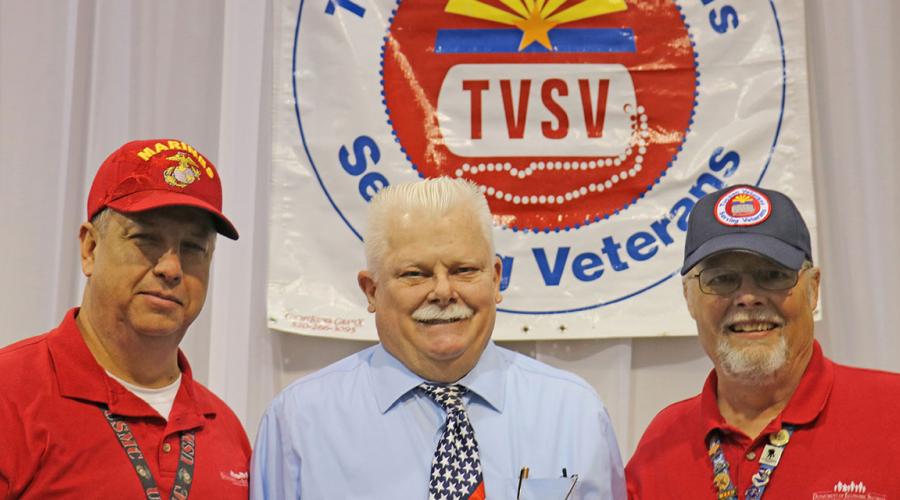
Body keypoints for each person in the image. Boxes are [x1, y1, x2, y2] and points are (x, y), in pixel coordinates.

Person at [251, 177, 626, 499]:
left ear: (495, 279)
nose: (443, 292)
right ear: (371, 291)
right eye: (415, 274)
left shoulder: (575, 414)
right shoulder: (298, 424)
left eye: (464, 270)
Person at [0, 139, 252, 498]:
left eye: (193, 248)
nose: (171, 268)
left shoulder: (227, 432)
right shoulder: (10, 396)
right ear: (90, 248)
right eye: (145, 239)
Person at [626, 185, 900, 498]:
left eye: (772, 275)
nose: (747, 298)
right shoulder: (660, 443)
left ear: (813, 289)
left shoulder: (894, 414)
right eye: (722, 279)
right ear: (689, 298)